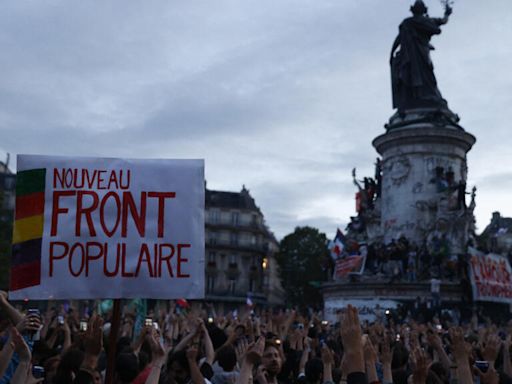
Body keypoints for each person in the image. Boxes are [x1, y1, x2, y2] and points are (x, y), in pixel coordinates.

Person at [390, 0, 452, 113]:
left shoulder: (410, 22)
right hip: (414, 54)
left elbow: (440, 25)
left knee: (422, 75)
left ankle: (422, 96)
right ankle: (421, 96)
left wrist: (392, 52)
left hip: (416, 54)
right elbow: (440, 25)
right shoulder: (417, 22)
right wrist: (446, 14)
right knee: (423, 75)